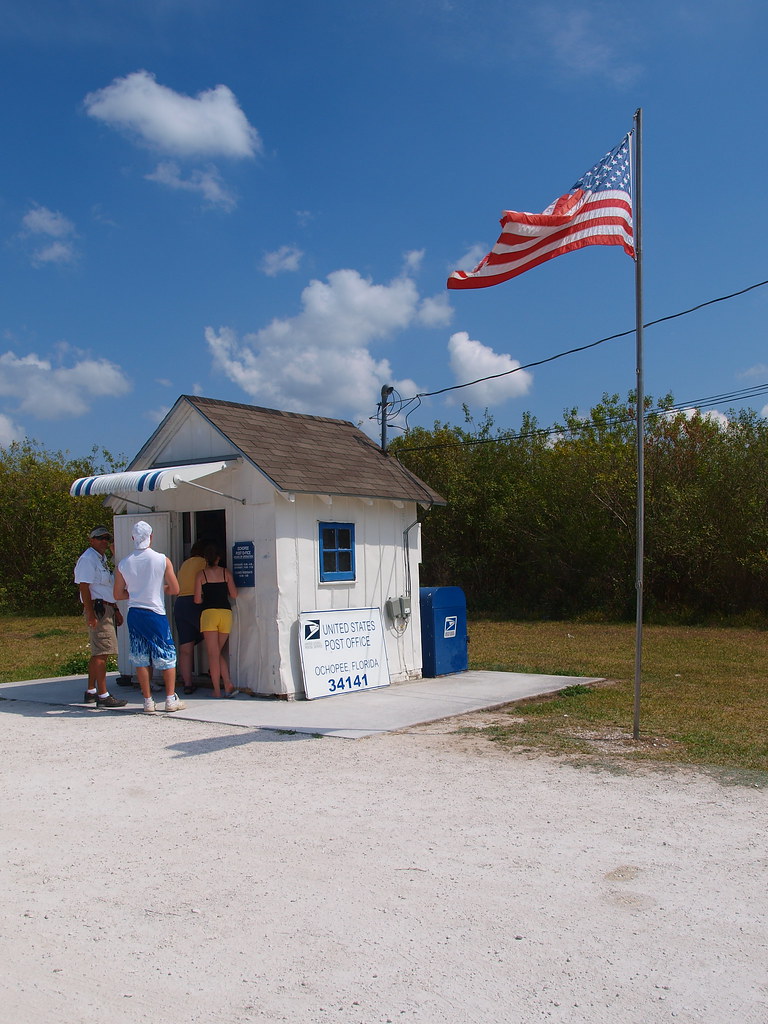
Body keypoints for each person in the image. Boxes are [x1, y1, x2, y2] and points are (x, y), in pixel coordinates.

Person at [113, 521, 185, 714]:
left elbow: (118, 594)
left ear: (132, 538)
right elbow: (176, 588)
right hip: (155, 612)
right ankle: (170, 699)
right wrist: (158, 588)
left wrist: (135, 592)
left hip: (135, 612)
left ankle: (147, 701)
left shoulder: (124, 563)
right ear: (151, 537)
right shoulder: (162, 559)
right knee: (166, 654)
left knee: (141, 656)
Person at [73, 526, 128, 709]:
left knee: (98, 652)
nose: (104, 541)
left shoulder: (102, 559)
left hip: (106, 607)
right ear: (91, 540)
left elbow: (107, 587)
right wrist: (90, 613)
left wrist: (116, 609)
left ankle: (91, 691)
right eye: (100, 538)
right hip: (98, 610)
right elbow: (84, 587)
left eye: (107, 538)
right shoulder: (88, 559)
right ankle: (103, 695)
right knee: (103, 652)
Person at [193, 543, 238, 698]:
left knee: (213, 654)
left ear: (206, 559)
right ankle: (227, 684)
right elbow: (234, 594)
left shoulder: (201, 575)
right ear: (219, 558)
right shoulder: (227, 573)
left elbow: (197, 600)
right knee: (218, 652)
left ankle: (217, 690)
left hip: (209, 613)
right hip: (225, 613)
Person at [174, 540, 207, 695]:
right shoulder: (204, 562)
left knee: (185, 647)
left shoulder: (185, 564)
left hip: (180, 603)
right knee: (212, 640)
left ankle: (187, 683)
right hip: (196, 601)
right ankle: (215, 673)